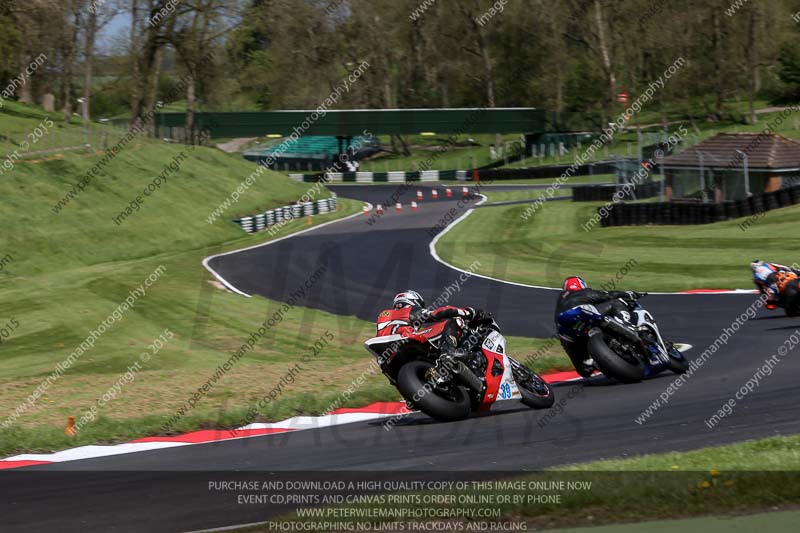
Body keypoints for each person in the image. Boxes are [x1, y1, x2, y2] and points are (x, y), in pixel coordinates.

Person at [554, 276, 642, 377]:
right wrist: (629, 294)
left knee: (583, 369)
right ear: (582, 285)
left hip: (565, 330)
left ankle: (586, 364)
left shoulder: (560, 299)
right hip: (581, 314)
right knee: (614, 303)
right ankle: (627, 324)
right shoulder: (583, 292)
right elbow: (608, 295)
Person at [376, 290, 481, 360]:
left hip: (387, 356)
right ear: (413, 301)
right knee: (455, 321)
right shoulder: (408, 311)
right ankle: (448, 353)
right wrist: (469, 312)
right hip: (406, 341)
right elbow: (440, 313)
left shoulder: (383, 315)